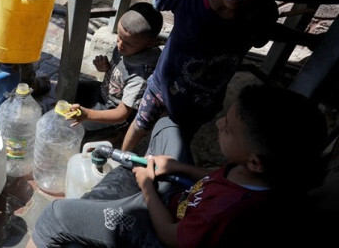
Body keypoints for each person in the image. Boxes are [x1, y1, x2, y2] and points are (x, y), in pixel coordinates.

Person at [95, 0, 323, 153]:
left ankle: (161, 165)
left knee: (180, 139)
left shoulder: (261, 13)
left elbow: (271, 30)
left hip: (203, 99)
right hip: (162, 87)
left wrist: (306, 39)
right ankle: (122, 158)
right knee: (141, 124)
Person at [29, 84, 328, 247]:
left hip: (166, 233)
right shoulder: (256, 173)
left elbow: (173, 236)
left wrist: (147, 187)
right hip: (183, 198)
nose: (219, 122)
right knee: (168, 126)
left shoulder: (227, 212)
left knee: (56, 215)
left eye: (227, 128)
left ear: (255, 161)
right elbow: (219, 178)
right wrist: (177, 167)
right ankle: (139, 188)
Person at [68, 2, 162, 136]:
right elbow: (119, 72)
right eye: (118, 36)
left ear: (150, 43)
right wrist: (106, 68)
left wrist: (88, 114)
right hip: (103, 91)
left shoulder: (141, 75)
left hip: (114, 108)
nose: (120, 45)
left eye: (127, 43)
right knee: (69, 88)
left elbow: (121, 114)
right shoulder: (128, 45)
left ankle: (116, 134)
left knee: (79, 128)